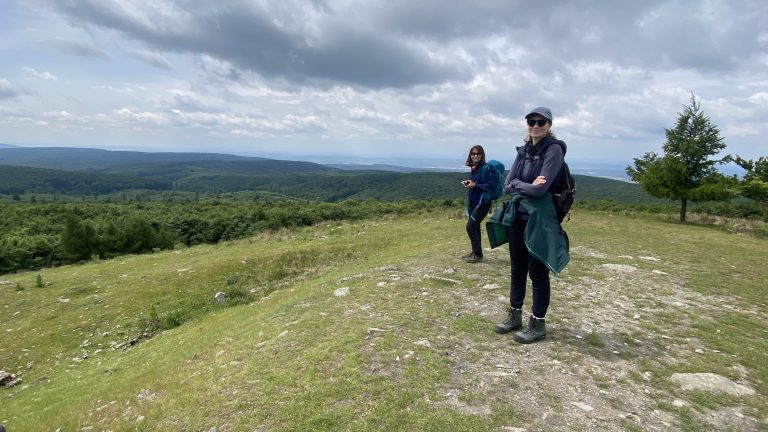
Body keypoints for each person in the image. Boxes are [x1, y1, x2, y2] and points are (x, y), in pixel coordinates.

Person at [494, 106, 569, 343]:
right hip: (518, 216)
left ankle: (537, 324)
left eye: (541, 122)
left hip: (540, 219)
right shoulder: (524, 149)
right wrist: (524, 185)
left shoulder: (554, 149)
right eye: (531, 121)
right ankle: (514, 315)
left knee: (537, 272)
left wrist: (520, 183)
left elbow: (540, 189)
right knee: (517, 268)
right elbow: (506, 185)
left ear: (549, 125)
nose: (535, 126)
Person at [461, 145, 498, 263]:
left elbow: (491, 186)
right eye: (473, 154)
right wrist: (469, 183)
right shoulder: (474, 168)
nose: (475, 156)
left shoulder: (487, 168)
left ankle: (478, 254)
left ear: (482, 155)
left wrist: (475, 185)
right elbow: (476, 183)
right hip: (473, 202)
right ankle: (475, 252)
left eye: (478, 154)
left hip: (482, 203)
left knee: (470, 227)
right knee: (475, 226)